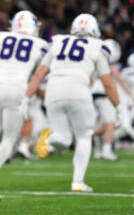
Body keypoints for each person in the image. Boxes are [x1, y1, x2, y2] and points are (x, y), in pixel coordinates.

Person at [20, 13, 119, 192]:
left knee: (64, 139)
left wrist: (26, 98)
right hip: (78, 91)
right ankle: (77, 182)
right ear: (95, 30)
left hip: (53, 91)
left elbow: (39, 74)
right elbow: (108, 83)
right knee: (84, 136)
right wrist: (117, 107)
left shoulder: (57, 42)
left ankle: (50, 139)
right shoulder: (98, 46)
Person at [0, 10, 48, 190]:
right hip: (17, 87)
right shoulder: (40, 44)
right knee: (9, 138)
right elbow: (38, 73)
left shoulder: (0, 37)